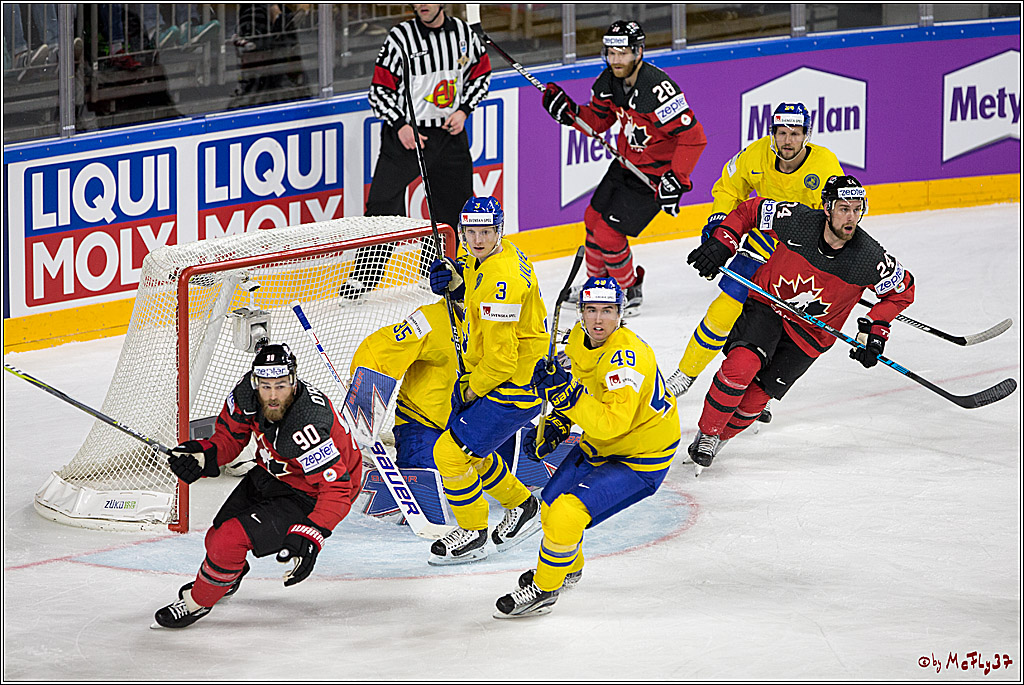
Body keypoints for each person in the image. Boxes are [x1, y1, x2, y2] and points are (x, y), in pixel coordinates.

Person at [683, 175, 915, 474]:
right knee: (741, 366)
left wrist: (875, 328)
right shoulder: (798, 220)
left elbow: (902, 292)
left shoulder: (869, 257)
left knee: (755, 400)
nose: (851, 217)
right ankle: (708, 433)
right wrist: (723, 242)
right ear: (827, 208)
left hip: (811, 334)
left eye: (857, 209)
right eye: (844, 208)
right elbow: (749, 211)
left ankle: (721, 439)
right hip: (769, 306)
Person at [494, 276, 680, 618]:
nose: (598, 319)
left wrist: (567, 397)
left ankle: (545, 589)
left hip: (642, 456)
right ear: (580, 312)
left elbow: (611, 423)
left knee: (567, 514)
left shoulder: (626, 360)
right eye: (591, 310)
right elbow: (584, 388)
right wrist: (559, 421)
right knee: (551, 505)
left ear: (620, 313)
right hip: (602, 444)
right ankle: (567, 568)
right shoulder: (580, 340)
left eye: (607, 311)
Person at [153, 342, 362, 628]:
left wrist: (313, 532)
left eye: (281, 386)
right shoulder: (246, 395)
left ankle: (197, 602)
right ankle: (227, 579)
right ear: (255, 382)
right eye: (266, 386)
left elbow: (337, 491)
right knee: (216, 538)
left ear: (294, 381)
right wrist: (203, 456)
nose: (273, 396)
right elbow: (230, 438)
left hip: (313, 493)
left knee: (229, 540)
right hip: (274, 471)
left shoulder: (306, 425)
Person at [666, 103, 846, 420]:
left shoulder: (825, 165)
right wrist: (719, 225)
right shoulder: (756, 154)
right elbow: (729, 188)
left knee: (782, 323)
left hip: (801, 252)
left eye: (795, 133)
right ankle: (686, 373)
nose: (787, 140)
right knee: (726, 306)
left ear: (807, 135)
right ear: (772, 133)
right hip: (763, 240)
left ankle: (757, 387)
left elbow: (838, 216)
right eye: (781, 133)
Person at [541, 20, 706, 316]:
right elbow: (598, 121)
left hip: (653, 176)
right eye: (612, 53)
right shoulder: (608, 81)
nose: (616, 59)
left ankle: (627, 290)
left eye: (623, 53)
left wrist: (676, 178)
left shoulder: (657, 89)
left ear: (638, 52)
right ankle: (596, 286)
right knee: (592, 219)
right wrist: (570, 112)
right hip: (625, 165)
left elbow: (693, 137)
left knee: (608, 233)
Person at [425, 195, 546, 564]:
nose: (478, 240)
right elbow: (475, 285)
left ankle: (473, 532)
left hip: (513, 385)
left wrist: (470, 388)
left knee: (449, 454)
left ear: (499, 231)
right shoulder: (495, 256)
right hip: (508, 376)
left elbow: (502, 360)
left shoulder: (500, 279)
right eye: (471, 232)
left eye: (486, 232)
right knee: (471, 451)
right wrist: (457, 282)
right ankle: (522, 504)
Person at [341, 3, 491, 299]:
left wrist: (464, 110)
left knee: (453, 207)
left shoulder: (464, 34)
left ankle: (435, 271)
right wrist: (400, 125)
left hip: (449, 135)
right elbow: (379, 90)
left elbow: (481, 74)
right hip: (407, 136)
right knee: (383, 205)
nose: (421, 4)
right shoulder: (400, 37)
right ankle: (364, 278)